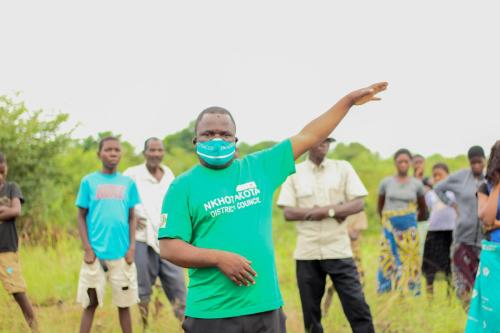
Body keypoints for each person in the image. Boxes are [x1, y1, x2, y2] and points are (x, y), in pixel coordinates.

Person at [158, 82, 387, 333]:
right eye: (208, 134)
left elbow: (309, 136)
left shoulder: (259, 168)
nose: (216, 140)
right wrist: (218, 258)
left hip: (265, 309)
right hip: (211, 313)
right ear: (195, 141)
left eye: (224, 135)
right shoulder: (182, 187)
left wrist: (348, 102)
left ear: (235, 140)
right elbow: (170, 247)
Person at [277, 138, 374, 333]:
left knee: (357, 305)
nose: (324, 144)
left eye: (328, 141)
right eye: (320, 140)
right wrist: (334, 210)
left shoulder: (343, 168)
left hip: (339, 249)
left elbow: (358, 204)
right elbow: (288, 212)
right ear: (309, 143)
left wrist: (327, 211)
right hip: (307, 252)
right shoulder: (294, 172)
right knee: (311, 313)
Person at [75, 137, 141, 333]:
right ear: (99, 154)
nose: (113, 154)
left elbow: (132, 217)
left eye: (117, 150)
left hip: (121, 254)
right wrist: (88, 249)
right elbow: (80, 216)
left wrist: (131, 248)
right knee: (90, 302)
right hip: (95, 254)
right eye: (108, 150)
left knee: (124, 303)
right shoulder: (89, 181)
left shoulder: (128, 183)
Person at [124, 137, 186, 328]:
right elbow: (122, 201)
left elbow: (176, 202)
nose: (156, 154)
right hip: (142, 238)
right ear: (144, 153)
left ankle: (187, 326)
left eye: (159, 150)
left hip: (168, 237)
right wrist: (133, 217)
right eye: (152, 150)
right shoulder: (132, 174)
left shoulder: (168, 174)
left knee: (178, 286)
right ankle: (145, 326)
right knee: (143, 288)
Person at [434, 146, 485, 311]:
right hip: (462, 239)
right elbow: (438, 187)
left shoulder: (490, 179)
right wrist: (453, 205)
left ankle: (480, 317)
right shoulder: (461, 177)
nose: (476, 165)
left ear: (484, 161)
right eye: (473, 162)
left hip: (483, 242)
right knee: (461, 284)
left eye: (479, 162)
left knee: (481, 284)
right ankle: (468, 316)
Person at [377, 148, 427, 296]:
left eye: (406, 161)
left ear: (411, 163)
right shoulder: (386, 183)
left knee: (410, 260)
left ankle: (411, 291)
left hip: (409, 229)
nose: (403, 164)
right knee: (387, 257)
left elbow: (422, 208)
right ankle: (386, 290)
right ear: (395, 163)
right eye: (400, 161)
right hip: (390, 227)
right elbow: (380, 206)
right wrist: (388, 222)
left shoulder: (416, 184)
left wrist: (409, 221)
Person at [0, 152, 39, 332]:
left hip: (7, 249)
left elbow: (16, 211)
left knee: (17, 291)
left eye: (2, 168)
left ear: (5, 168)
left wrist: (7, 210)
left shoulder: (11, 188)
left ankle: (35, 328)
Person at [466, 140, 500, 332]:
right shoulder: (486, 187)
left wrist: (496, 224)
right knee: (493, 310)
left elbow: (491, 223)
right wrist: (497, 182)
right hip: (495, 257)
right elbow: (486, 219)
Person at [421, 163, 457, 296]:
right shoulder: (430, 194)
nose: (437, 177)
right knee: (430, 265)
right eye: (434, 175)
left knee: (450, 265)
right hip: (434, 233)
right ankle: (430, 295)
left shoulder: (454, 193)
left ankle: (450, 295)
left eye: (440, 175)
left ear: (448, 175)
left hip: (451, 232)